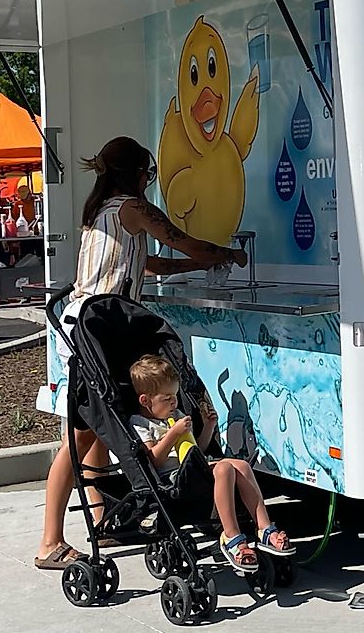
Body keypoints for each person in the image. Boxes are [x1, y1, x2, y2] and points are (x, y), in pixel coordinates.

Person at [34, 136, 246, 569]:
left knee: (95, 425)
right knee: (81, 435)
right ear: (134, 172)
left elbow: (151, 264)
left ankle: (101, 518)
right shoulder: (132, 207)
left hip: (88, 325)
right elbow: (183, 241)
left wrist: (200, 264)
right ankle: (49, 541)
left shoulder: (100, 212)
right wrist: (225, 254)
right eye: (148, 173)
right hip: (101, 328)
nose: (150, 181)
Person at [129, 355, 295, 572]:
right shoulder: (140, 423)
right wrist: (173, 433)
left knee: (242, 466)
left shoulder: (176, 414)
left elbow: (196, 448)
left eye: (175, 396)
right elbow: (154, 459)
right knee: (225, 468)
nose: (174, 402)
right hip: (172, 477)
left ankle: (264, 528)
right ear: (145, 400)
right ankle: (231, 536)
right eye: (167, 397)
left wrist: (208, 426)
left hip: (193, 466)